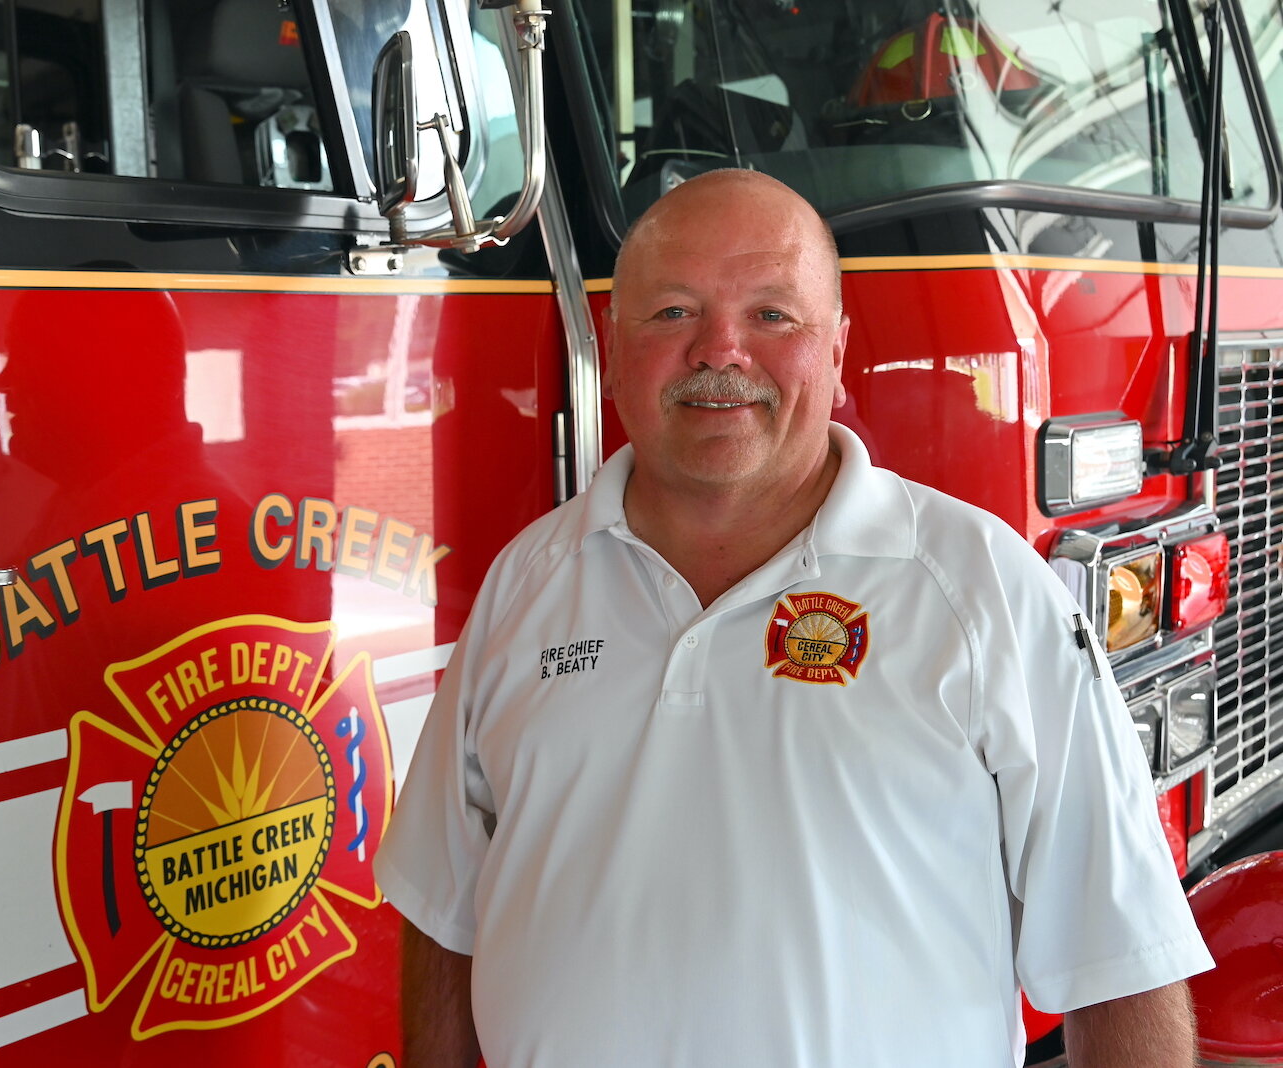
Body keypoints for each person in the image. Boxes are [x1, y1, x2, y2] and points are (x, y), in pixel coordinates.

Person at [372, 169, 1213, 1067]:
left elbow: (1117, 961)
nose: (719, 351)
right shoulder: (524, 588)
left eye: (773, 315)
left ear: (839, 351)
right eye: (671, 314)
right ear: (611, 351)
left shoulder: (983, 592)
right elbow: (444, 915)